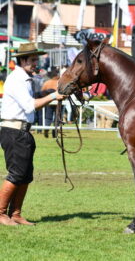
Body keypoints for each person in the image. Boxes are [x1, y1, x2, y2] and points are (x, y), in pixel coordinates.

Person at [0, 43, 67, 226]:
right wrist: (53, 96)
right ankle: (0, 213)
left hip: (22, 132)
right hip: (14, 132)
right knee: (16, 174)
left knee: (26, 175)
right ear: (22, 60)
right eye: (32, 60)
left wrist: (49, 93)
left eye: (36, 59)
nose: (35, 63)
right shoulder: (17, 79)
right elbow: (30, 106)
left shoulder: (25, 79)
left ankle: (16, 214)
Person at [41, 67, 60, 138]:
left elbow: (42, 92)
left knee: (48, 116)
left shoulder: (47, 83)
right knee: (57, 117)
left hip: (49, 101)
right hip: (59, 102)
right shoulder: (59, 82)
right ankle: (55, 132)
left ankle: (46, 129)